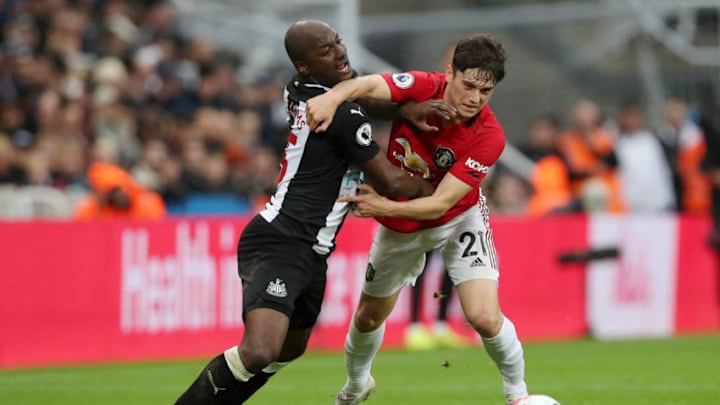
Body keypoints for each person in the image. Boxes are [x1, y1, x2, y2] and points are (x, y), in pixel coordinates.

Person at [173, 20, 435, 405]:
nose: (341, 53)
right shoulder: (341, 116)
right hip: (281, 239)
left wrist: (405, 111)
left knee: (288, 350)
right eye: (326, 51)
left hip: (312, 251)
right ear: (305, 66)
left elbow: (365, 98)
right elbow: (392, 184)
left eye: (338, 43)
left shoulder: (301, 90)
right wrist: (447, 188)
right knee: (260, 350)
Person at [307, 34, 532, 404]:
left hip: (459, 219)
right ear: (449, 74)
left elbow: (440, 203)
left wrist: (382, 207)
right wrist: (333, 97)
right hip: (402, 227)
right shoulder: (424, 87)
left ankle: (518, 396)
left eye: (486, 91)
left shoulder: (489, 137)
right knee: (367, 318)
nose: (475, 98)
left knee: (485, 317)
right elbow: (369, 84)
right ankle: (356, 385)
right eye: (469, 85)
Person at [404, 249, 472, 351]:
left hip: (449, 233)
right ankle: (415, 328)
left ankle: (441, 328)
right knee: (419, 267)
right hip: (424, 233)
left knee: (451, 267)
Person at [73, 161, 166, 220]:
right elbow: (81, 229)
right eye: (112, 192)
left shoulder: (147, 202)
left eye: (120, 189)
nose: (120, 195)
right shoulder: (94, 207)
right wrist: (98, 207)